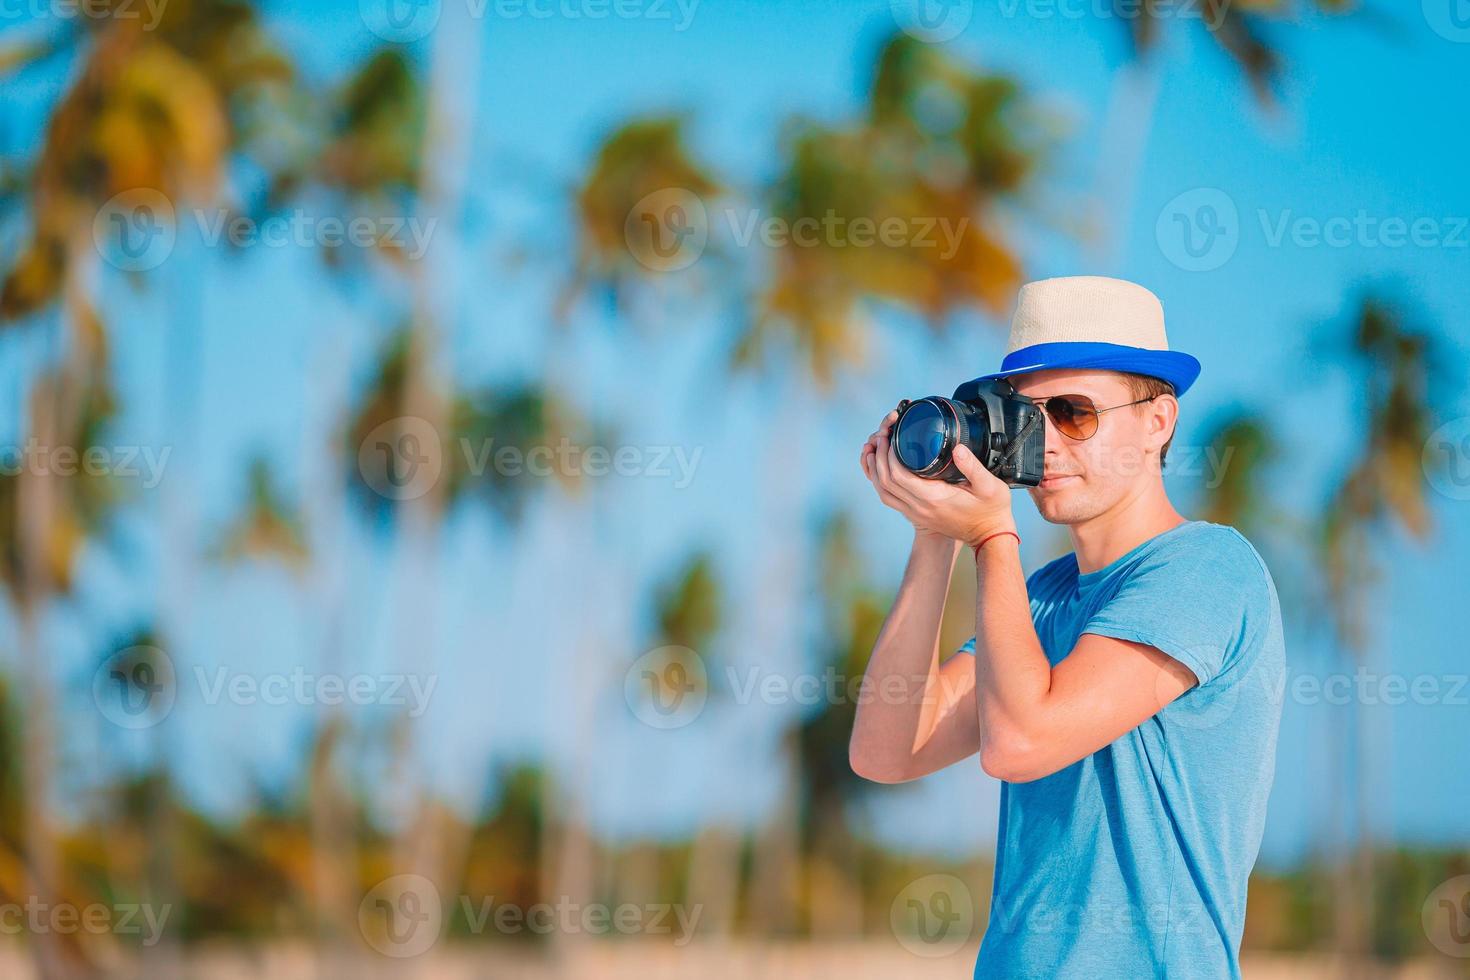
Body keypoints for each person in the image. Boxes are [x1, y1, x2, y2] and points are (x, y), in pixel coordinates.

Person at [851, 275, 1285, 978]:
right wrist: (934, 535)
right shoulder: (1042, 598)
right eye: (1026, 416)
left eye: (1074, 413)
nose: (1043, 441)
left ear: (1158, 421)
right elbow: (886, 750)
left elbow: (1020, 742)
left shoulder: (1208, 569)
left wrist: (993, 537)